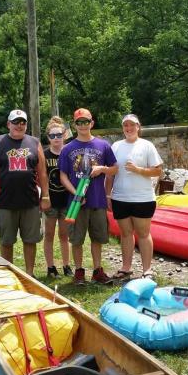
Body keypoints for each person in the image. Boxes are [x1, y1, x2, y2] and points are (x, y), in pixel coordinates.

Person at [0, 109, 50, 277]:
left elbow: (42, 172)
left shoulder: (34, 142)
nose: (19, 126)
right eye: (15, 122)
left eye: (23, 122)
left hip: (31, 201)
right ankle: (8, 276)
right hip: (6, 201)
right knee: (6, 241)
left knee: (30, 240)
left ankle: (29, 274)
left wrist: (46, 196)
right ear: (8, 124)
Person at [59, 108, 118, 285]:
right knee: (76, 239)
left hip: (97, 200)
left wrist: (102, 169)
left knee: (97, 237)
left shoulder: (103, 145)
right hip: (76, 203)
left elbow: (115, 168)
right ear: (74, 125)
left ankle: (97, 271)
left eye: (86, 122)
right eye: (79, 122)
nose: (83, 125)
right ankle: (78, 272)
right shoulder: (67, 148)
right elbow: (62, 176)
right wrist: (75, 193)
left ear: (92, 123)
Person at [106, 114, 163, 281]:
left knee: (144, 234)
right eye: (126, 126)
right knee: (125, 233)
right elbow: (110, 174)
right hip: (120, 197)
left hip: (143, 198)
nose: (129, 129)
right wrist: (107, 194)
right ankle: (126, 267)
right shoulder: (116, 146)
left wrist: (138, 170)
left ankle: (147, 270)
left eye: (132, 125)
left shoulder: (147, 146)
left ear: (138, 127)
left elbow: (158, 171)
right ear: (123, 128)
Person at [44, 116, 73, 278]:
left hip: (66, 200)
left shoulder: (69, 153)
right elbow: (39, 177)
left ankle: (66, 265)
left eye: (59, 135)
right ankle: (50, 267)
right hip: (51, 201)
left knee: (64, 234)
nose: (56, 138)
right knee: (49, 234)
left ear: (64, 135)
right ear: (48, 137)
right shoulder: (44, 154)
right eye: (52, 135)